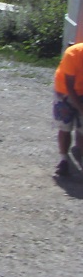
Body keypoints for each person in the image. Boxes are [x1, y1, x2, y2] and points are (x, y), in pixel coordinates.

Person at [52, 40, 83, 178]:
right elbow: (70, 87)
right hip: (64, 91)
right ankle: (63, 160)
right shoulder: (72, 54)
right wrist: (80, 108)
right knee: (65, 127)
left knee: (82, 130)